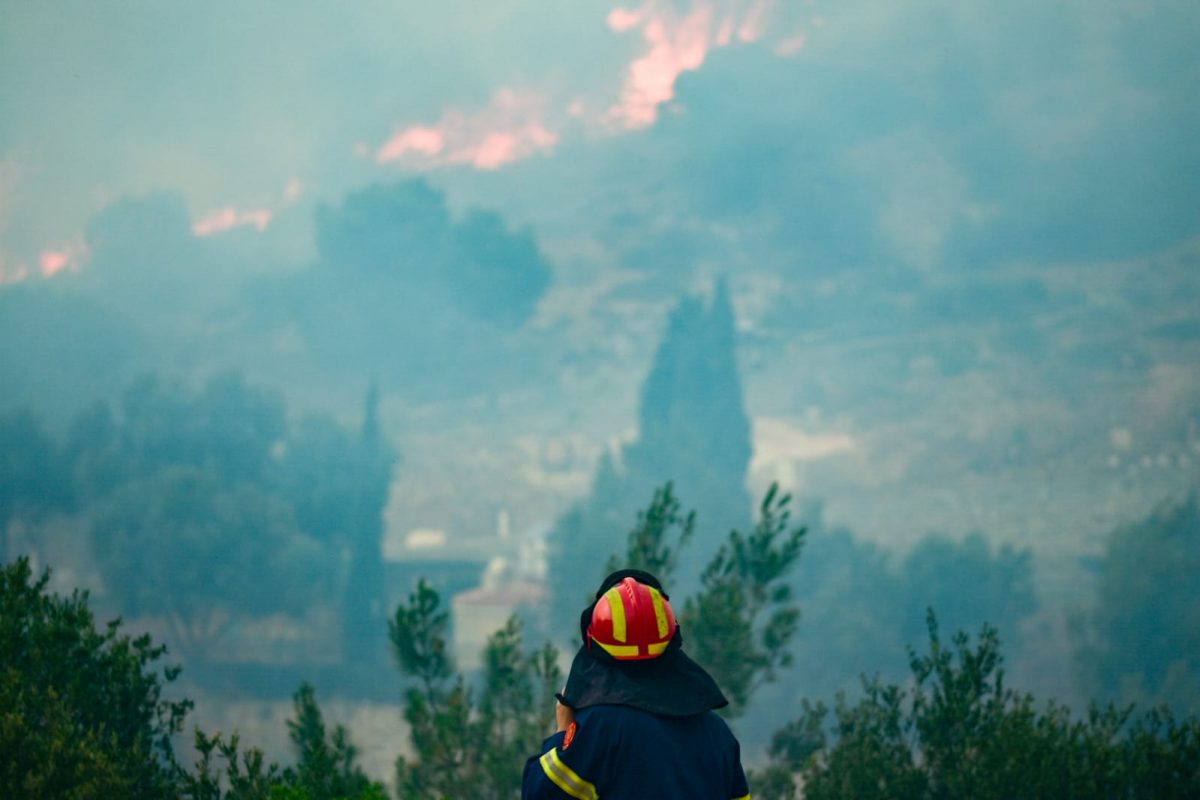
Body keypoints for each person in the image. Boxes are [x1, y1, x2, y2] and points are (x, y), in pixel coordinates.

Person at [522, 569, 752, 800]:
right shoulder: (716, 732)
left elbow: (541, 795)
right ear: (672, 643)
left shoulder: (601, 726)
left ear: (595, 647)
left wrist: (563, 732)